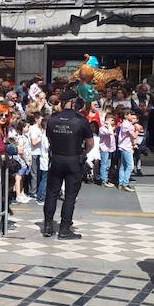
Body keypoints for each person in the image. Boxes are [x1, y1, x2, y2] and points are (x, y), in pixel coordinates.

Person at [43, 90, 93, 239]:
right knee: (70, 196)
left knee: (51, 193)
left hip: (56, 158)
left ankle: (47, 225)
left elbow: (49, 138)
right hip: (73, 160)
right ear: (73, 101)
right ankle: (64, 229)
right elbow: (90, 143)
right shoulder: (81, 120)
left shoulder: (52, 119)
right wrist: (84, 152)